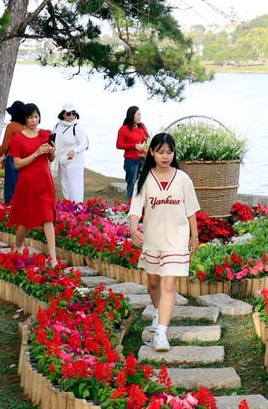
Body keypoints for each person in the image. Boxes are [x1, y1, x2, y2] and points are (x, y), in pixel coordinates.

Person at [128, 132, 199, 352]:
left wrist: (194, 236)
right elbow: (135, 209)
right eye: (160, 152)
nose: (165, 156)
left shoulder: (183, 179)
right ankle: (160, 312)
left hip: (177, 242)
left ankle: (161, 333)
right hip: (152, 241)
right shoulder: (145, 179)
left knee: (169, 285)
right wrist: (133, 229)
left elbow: (191, 210)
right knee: (153, 284)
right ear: (152, 153)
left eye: (169, 152)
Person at [8, 103, 58, 263]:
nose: (34, 120)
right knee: (26, 221)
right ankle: (18, 245)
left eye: (36, 117)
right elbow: (17, 164)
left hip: (44, 181)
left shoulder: (45, 134)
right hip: (27, 183)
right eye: (30, 117)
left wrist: (52, 151)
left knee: (48, 217)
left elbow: (51, 159)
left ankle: (53, 257)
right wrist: (36, 153)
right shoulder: (18, 139)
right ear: (25, 118)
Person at [52, 103, 89, 203]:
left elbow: (84, 143)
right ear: (63, 114)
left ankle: (76, 207)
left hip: (74, 161)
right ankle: (68, 207)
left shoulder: (76, 127)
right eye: (69, 114)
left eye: (74, 113)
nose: (71, 116)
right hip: (62, 161)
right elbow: (52, 140)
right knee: (65, 185)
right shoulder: (57, 126)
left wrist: (74, 150)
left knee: (74, 186)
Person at [0, 100, 26, 205]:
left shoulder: (11, 126)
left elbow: (4, 146)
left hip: (12, 158)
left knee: (11, 187)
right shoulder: (27, 127)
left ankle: (9, 210)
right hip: (26, 159)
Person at [116, 105, 149, 199]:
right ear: (132, 115)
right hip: (131, 161)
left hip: (143, 159)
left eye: (140, 115)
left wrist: (145, 146)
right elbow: (119, 145)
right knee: (132, 183)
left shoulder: (142, 126)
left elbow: (147, 139)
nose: (140, 117)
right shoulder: (124, 129)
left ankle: (142, 204)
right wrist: (134, 146)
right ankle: (130, 205)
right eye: (138, 115)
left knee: (144, 182)